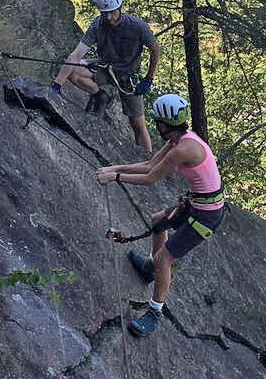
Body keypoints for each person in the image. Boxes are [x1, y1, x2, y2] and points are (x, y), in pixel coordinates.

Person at [96, 93, 225, 338]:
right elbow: (148, 164)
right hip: (198, 204)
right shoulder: (178, 139)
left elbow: (150, 178)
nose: (156, 125)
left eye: (157, 121)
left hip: (206, 215)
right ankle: (149, 268)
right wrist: (114, 168)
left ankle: (155, 311)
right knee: (158, 221)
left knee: (164, 259)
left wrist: (116, 177)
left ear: (164, 124)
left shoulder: (183, 149)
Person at [52, 0, 160, 152]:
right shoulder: (98, 25)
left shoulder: (137, 26)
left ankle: (147, 162)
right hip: (105, 68)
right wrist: (57, 84)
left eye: (112, 12)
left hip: (128, 77)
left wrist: (148, 78)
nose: (109, 17)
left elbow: (155, 48)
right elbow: (75, 55)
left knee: (137, 124)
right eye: (105, 13)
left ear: (120, 8)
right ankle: (100, 96)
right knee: (73, 70)